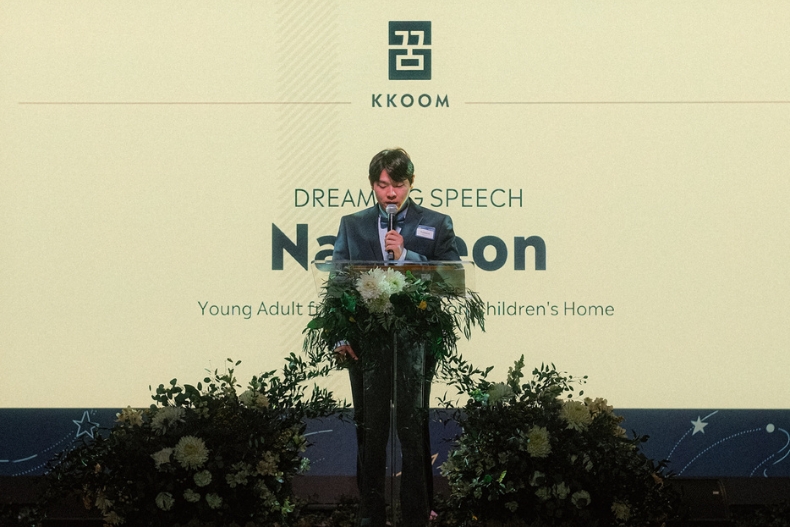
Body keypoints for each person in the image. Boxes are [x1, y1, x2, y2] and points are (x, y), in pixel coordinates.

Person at [332, 148, 460, 527]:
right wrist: (340, 333)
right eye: (383, 185)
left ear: (411, 183)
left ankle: (416, 514)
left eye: (398, 185)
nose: (390, 193)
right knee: (370, 430)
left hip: (414, 346)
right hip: (366, 347)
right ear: (373, 185)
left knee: (411, 428)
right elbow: (337, 284)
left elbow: (451, 279)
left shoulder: (436, 223)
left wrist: (406, 256)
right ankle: (371, 514)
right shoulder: (352, 225)